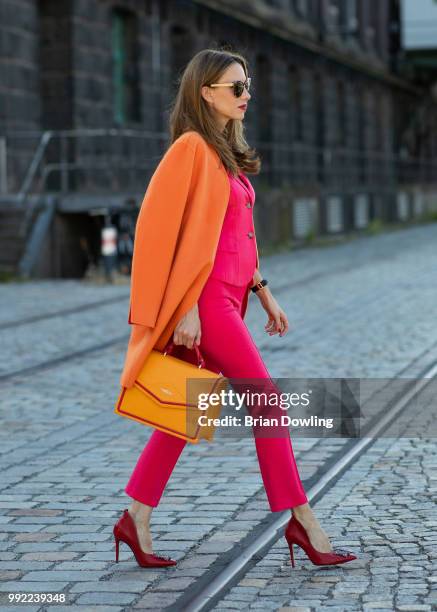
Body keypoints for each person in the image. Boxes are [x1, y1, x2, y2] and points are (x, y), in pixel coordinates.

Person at [113, 48, 357, 569]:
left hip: (232, 297)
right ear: (206, 92)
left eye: (247, 86)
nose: (246, 96)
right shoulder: (190, 148)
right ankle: (302, 521)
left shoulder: (223, 152)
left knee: (187, 408)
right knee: (267, 401)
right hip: (206, 303)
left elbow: (236, 236)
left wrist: (263, 290)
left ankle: (135, 517)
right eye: (236, 87)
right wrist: (183, 309)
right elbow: (161, 234)